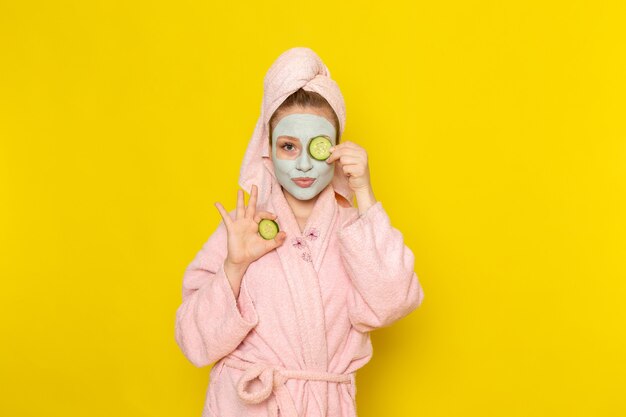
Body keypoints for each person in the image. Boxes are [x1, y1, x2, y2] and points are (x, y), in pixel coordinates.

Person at [174, 47, 425, 417]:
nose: (304, 164)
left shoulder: (354, 229)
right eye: (288, 147)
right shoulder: (242, 228)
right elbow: (194, 342)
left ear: (337, 150)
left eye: (317, 148)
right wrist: (234, 267)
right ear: (267, 152)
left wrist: (365, 194)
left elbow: (392, 301)